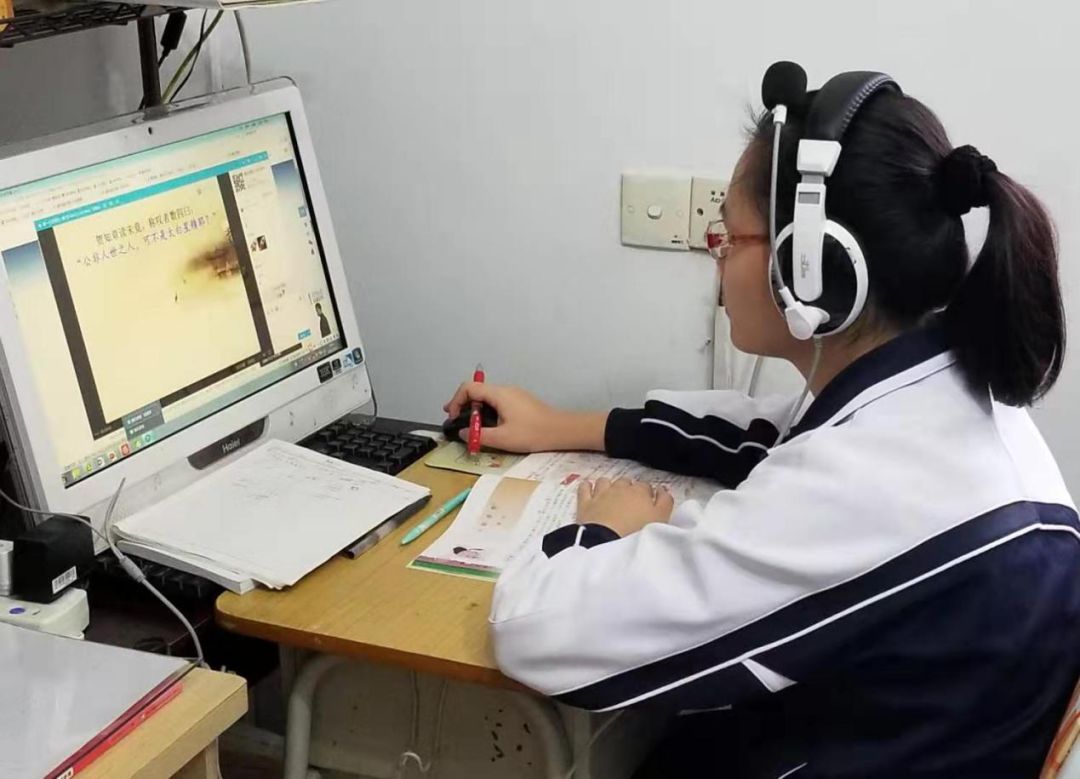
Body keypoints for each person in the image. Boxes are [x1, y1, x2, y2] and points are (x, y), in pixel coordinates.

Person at [443, 64, 1080, 777]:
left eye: (729, 234)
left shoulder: (862, 485)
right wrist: (560, 425)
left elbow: (533, 630)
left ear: (811, 267)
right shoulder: (941, 395)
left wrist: (602, 530)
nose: (715, 254)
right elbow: (764, 433)